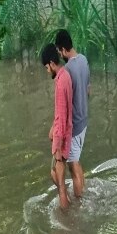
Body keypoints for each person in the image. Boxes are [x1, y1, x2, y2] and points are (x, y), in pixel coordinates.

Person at [54, 30, 88, 198]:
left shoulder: (66, 71)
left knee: (73, 168)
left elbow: (64, 105)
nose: (60, 55)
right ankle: (84, 192)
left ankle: (80, 203)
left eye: (59, 51)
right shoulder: (84, 60)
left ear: (62, 49)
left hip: (74, 127)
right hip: (84, 122)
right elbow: (88, 91)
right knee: (77, 161)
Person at [41, 43, 72, 210]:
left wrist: (58, 146)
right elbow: (63, 112)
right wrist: (53, 128)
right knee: (56, 175)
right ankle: (67, 202)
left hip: (62, 140)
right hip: (65, 133)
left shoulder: (60, 84)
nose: (47, 71)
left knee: (58, 181)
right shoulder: (65, 76)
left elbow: (61, 119)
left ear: (52, 63)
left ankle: (66, 217)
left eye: (47, 67)